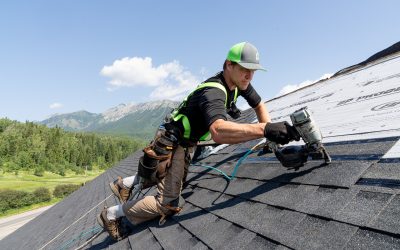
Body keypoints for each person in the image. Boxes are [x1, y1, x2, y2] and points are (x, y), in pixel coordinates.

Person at [96, 42, 299, 240]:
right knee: (168, 203)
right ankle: (112, 214)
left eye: (253, 70)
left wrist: (268, 137)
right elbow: (218, 130)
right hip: (173, 142)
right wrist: (265, 129)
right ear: (229, 64)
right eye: (246, 69)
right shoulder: (214, 92)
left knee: (168, 177)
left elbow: (259, 104)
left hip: (183, 140)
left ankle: (125, 185)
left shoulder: (239, 82)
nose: (250, 75)